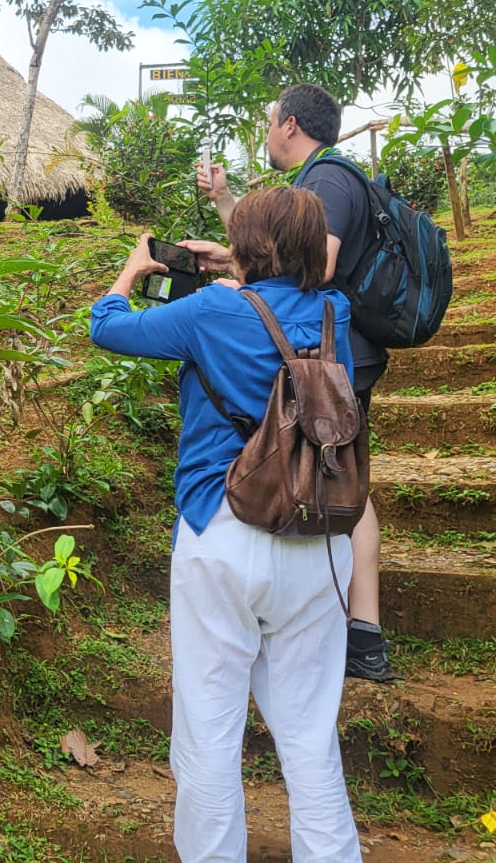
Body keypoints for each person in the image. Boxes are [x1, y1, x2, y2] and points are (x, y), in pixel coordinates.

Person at [90, 187, 361, 863]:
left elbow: (107, 327)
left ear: (243, 250)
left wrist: (132, 270)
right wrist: (242, 267)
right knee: (308, 733)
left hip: (222, 531)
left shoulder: (209, 311)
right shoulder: (337, 312)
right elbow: (281, 306)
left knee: (210, 727)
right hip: (319, 537)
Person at [194, 83, 392, 682]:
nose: (266, 129)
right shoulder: (316, 180)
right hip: (323, 348)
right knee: (330, 463)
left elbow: (314, 266)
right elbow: (275, 256)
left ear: (289, 124)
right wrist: (231, 221)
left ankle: (363, 631)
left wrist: (235, 279)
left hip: (329, 352)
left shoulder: (326, 180)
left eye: (269, 119)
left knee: (341, 469)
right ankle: (352, 624)